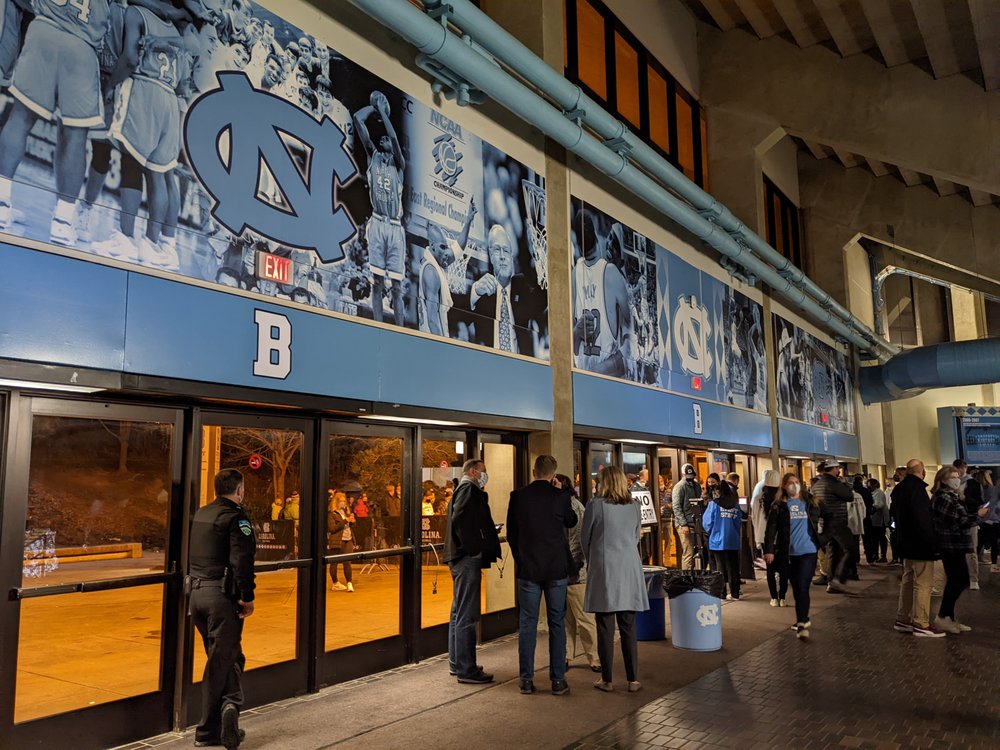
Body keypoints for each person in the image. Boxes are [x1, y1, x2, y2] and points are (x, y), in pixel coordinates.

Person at [0, 0, 112, 246]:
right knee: (75, 136)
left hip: (45, 31)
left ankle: (1, 200)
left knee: (20, 118)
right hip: (82, 46)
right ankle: (63, 221)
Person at [188, 468, 256, 749]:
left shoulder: (201, 513)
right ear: (239, 490)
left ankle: (228, 709)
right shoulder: (236, 518)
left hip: (196, 594)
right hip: (221, 597)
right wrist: (247, 596)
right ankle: (210, 728)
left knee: (229, 657)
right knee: (222, 660)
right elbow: (243, 559)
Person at [506, 454, 577, 696]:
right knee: (557, 623)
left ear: (534, 472)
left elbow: (512, 534)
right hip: (556, 569)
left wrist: (520, 559)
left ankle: (526, 679)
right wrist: (561, 492)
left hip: (529, 570)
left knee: (528, 624)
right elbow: (571, 520)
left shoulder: (518, 497)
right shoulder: (560, 497)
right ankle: (558, 680)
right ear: (553, 475)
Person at [583, 466, 648, 693]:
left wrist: (592, 559)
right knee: (629, 625)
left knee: (605, 627)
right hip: (629, 568)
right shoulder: (634, 506)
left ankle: (607, 680)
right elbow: (635, 536)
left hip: (605, 569)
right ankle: (633, 679)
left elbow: (585, 539)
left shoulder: (596, 506)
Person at [444, 459, 501, 684]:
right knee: (467, 613)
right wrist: (474, 548)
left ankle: (457, 663)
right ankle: (466, 669)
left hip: (458, 557)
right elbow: (462, 519)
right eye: (484, 472)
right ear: (474, 471)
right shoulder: (469, 489)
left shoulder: (461, 489)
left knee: (458, 611)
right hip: (465, 558)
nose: (486, 475)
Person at [354, 90, 406, 327]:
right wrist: (374, 107)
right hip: (377, 221)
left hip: (395, 226)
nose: (384, 138)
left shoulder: (399, 165)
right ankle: (377, 325)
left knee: (396, 285)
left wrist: (385, 115)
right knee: (377, 281)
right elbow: (357, 118)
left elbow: (394, 140)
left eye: (387, 138)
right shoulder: (373, 156)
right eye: (381, 137)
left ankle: (401, 330)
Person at [572, 208, 634, 376]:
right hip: (603, 370)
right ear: (600, 240)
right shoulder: (610, 272)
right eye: (610, 240)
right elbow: (631, 327)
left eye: (613, 243)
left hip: (590, 371)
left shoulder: (575, 273)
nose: (609, 246)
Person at [468, 223, 543, 355]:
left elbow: (542, 299)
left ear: (511, 257)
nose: (503, 256)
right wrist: (475, 292)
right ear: (490, 256)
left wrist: (540, 260)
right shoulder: (481, 288)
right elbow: (457, 313)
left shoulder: (521, 285)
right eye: (497, 250)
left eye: (506, 250)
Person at [764, 472, 822, 640]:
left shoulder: (810, 501)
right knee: (796, 587)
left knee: (803, 585)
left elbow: (829, 515)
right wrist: (769, 550)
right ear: (784, 486)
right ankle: (803, 617)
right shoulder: (779, 505)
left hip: (808, 551)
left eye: (796, 482)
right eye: (790, 482)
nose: (794, 485)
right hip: (788, 553)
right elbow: (771, 528)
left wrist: (823, 537)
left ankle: (802, 622)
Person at [892, 459, 945, 637]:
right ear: (921, 471)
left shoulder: (899, 489)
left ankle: (903, 618)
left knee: (908, 579)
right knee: (923, 583)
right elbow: (923, 520)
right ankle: (921, 622)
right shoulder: (917, 490)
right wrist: (933, 543)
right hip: (920, 544)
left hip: (905, 543)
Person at [557, 473, 600, 673]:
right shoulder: (573, 505)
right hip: (570, 569)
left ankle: (594, 658)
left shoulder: (572, 508)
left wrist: (574, 566)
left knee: (582, 618)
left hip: (574, 571)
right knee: (571, 617)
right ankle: (569, 655)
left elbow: (575, 540)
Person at [929, 465, 978, 633]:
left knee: (957, 579)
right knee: (959, 579)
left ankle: (948, 617)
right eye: (953, 476)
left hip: (955, 544)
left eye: (958, 476)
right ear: (943, 479)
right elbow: (959, 520)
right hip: (950, 544)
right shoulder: (943, 497)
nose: (957, 479)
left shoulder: (952, 497)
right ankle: (943, 616)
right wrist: (980, 515)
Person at [812, 459, 854, 594]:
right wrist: (845, 483)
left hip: (824, 523)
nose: (839, 470)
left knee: (833, 552)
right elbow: (849, 496)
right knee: (850, 549)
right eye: (837, 468)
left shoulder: (817, 485)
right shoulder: (834, 483)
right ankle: (838, 579)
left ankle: (831, 582)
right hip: (837, 521)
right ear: (834, 469)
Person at [702, 476, 745, 600]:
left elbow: (707, 523)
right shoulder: (735, 506)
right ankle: (735, 593)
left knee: (720, 567)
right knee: (733, 567)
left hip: (717, 541)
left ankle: (722, 593)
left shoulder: (713, 504)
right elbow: (738, 523)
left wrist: (713, 532)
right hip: (733, 540)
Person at [751, 469, 784, 605]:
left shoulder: (759, 498)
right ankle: (782, 597)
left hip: (764, 536)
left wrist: (757, 537)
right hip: (781, 536)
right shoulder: (783, 499)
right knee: (783, 568)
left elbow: (755, 518)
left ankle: (773, 598)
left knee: (770, 568)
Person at [953, 459, 982, 591]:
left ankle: (973, 578)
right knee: (957, 551)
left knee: (971, 551)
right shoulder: (952, 483)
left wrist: (965, 498)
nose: (959, 471)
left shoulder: (973, 483)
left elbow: (979, 501)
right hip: (955, 521)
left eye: (961, 468)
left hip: (970, 520)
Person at [672, 463, 701, 569]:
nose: (690, 478)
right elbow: (676, 507)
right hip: (684, 523)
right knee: (688, 553)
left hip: (695, 522)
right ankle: (686, 579)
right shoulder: (679, 487)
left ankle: (694, 576)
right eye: (688, 476)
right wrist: (683, 524)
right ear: (683, 474)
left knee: (696, 552)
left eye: (692, 476)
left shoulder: (696, 485)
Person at [328, 487, 356, 592]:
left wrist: (352, 521)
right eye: (341, 501)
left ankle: (349, 583)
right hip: (337, 540)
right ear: (336, 501)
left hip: (348, 539)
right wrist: (345, 521)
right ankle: (335, 583)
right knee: (334, 562)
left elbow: (351, 524)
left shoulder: (345, 511)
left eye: (344, 501)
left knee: (347, 562)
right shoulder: (331, 513)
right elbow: (332, 528)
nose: (343, 503)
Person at [854, 475, 876, 565]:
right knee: (867, 539)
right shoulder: (865, 491)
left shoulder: (851, 491)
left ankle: (856, 559)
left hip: (854, 517)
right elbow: (871, 502)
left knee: (855, 539)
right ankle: (870, 559)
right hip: (865, 516)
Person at [868, 478, 890, 562]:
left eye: (869, 485)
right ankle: (876, 555)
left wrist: (872, 508)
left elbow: (879, 504)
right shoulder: (874, 493)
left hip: (880, 519)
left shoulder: (878, 493)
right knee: (875, 538)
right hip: (875, 520)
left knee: (881, 538)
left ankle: (883, 556)